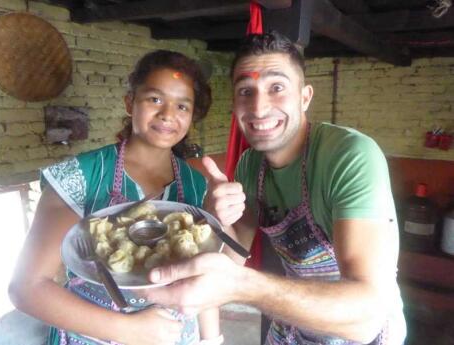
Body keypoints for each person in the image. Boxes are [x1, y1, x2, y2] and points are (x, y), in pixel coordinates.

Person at [141, 31, 407, 345]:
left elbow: (366, 319)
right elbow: (231, 257)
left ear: (305, 97)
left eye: (276, 88)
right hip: (293, 325)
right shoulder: (250, 166)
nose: (259, 107)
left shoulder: (349, 156)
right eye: (246, 91)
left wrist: (243, 286)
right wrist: (217, 220)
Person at [9, 50, 222, 345]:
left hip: (176, 335)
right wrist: (126, 330)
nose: (168, 114)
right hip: (92, 336)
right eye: (155, 99)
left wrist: (211, 340)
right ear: (129, 102)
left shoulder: (196, 184)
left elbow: (203, 274)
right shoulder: (82, 175)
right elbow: (26, 288)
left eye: (182, 106)